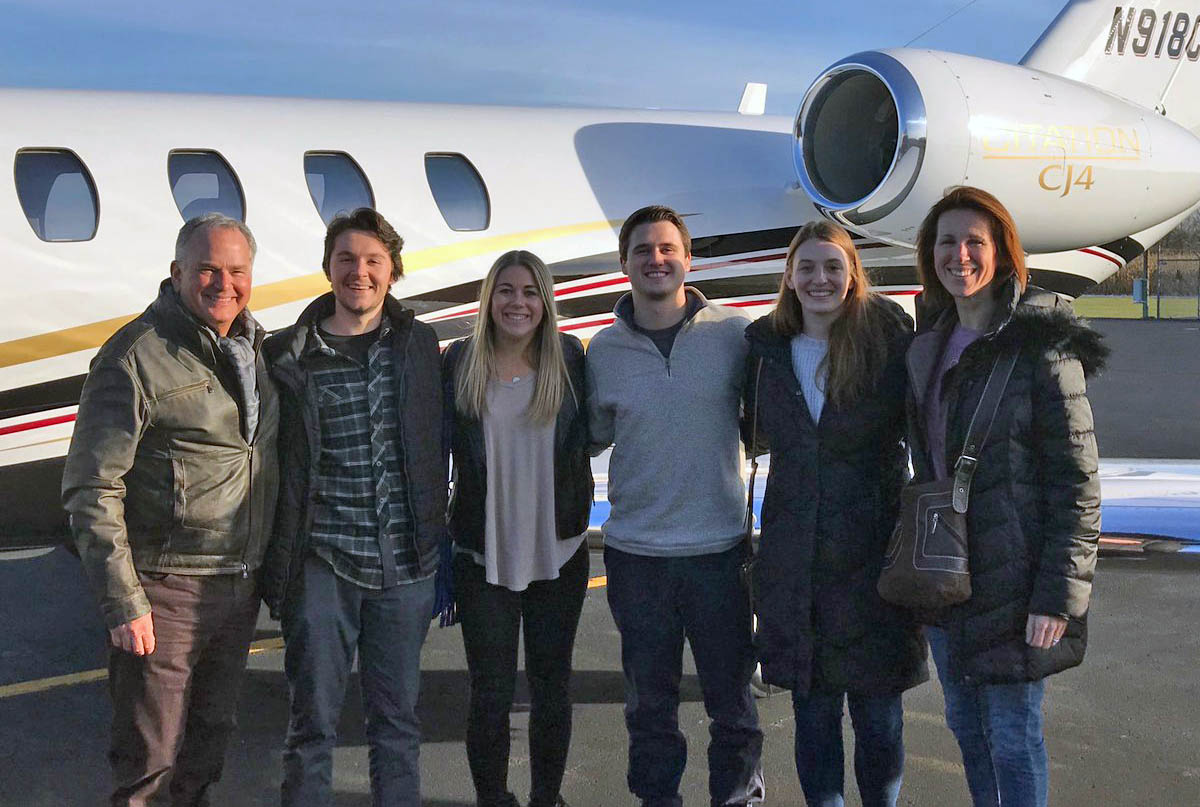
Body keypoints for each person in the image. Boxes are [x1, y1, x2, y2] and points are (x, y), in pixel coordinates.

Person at [62, 213, 278, 806]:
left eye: (237, 271)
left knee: (209, 745)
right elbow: (91, 488)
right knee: (150, 761)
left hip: (235, 587)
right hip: (166, 590)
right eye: (207, 268)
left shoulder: (254, 347)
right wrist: (124, 602)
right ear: (177, 271)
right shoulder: (133, 357)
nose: (223, 283)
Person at [908, 186, 1104, 807]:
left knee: (1013, 736)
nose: (959, 255)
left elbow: (1078, 483)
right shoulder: (930, 342)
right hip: (949, 577)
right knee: (968, 730)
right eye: (946, 241)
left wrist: (1058, 598)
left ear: (1003, 254)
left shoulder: (1041, 344)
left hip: (1017, 583)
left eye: (975, 242)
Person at [260, 207, 446, 806]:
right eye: (346, 260)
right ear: (327, 268)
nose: (358, 273)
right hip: (323, 566)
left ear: (392, 272)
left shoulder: (419, 346)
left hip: (405, 568)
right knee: (311, 726)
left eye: (372, 261)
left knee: (396, 727)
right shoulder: (287, 354)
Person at [742, 220, 927, 807]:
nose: (820, 279)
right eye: (808, 268)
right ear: (790, 278)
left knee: (879, 719)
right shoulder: (765, 352)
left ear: (852, 278)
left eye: (833, 268)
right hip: (796, 563)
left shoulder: (888, 346)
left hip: (875, 562)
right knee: (813, 718)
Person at [587, 205, 764, 807]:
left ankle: (737, 798)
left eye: (667, 249)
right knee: (650, 711)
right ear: (624, 264)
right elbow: (585, 435)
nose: (655, 260)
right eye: (642, 250)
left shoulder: (736, 336)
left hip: (718, 554)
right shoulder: (602, 351)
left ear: (688, 259)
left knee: (732, 707)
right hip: (637, 559)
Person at [442, 250, 592, 807]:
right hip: (483, 557)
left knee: (553, 688)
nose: (518, 302)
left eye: (530, 291)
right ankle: (492, 798)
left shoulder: (571, 360)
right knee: (491, 694)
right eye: (506, 290)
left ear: (545, 301)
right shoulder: (459, 362)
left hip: (560, 551)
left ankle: (546, 797)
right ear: (489, 299)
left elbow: (595, 433)